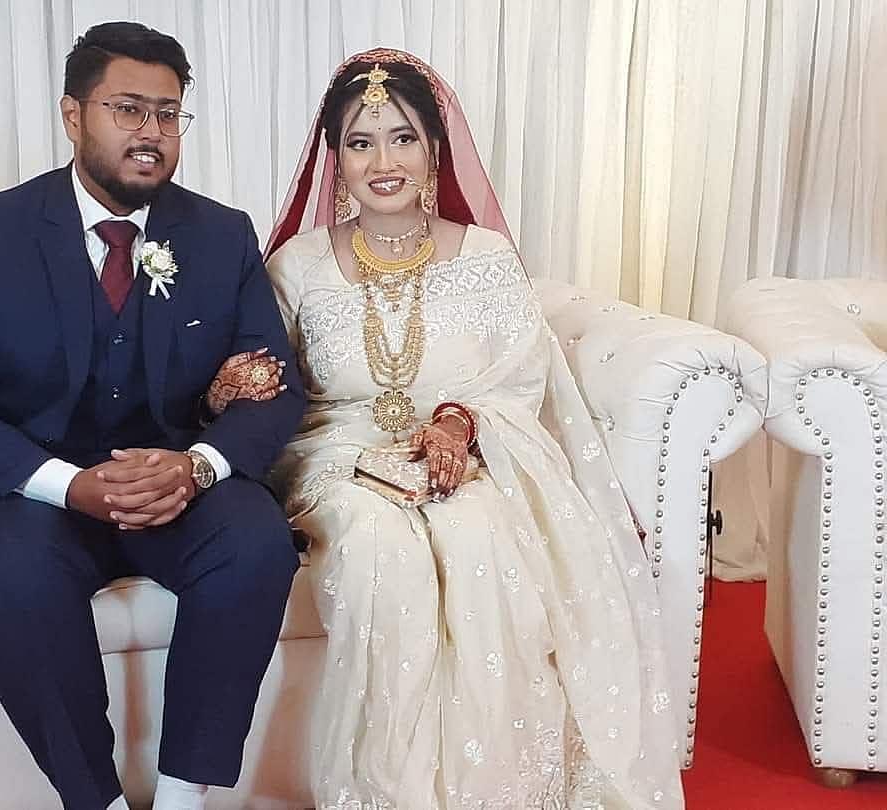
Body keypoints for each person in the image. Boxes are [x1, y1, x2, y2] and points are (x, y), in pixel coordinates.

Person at [259, 49, 685, 809]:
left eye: (402, 138)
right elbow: (276, 388)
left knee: (482, 539)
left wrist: (458, 423)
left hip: (467, 453)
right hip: (339, 455)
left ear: (434, 148)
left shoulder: (486, 258)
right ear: (336, 159)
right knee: (379, 548)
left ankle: (492, 792)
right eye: (361, 143)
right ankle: (387, 793)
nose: (383, 162)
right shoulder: (298, 265)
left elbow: (520, 380)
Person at [0, 22, 304, 810]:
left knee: (255, 542)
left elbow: (275, 385)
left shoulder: (221, 235)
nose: (151, 132)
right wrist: (67, 485)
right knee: (16, 573)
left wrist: (198, 468)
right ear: (73, 114)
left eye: (168, 113)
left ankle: (183, 796)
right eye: (128, 109)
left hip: (169, 485)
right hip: (22, 489)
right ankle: (96, 800)